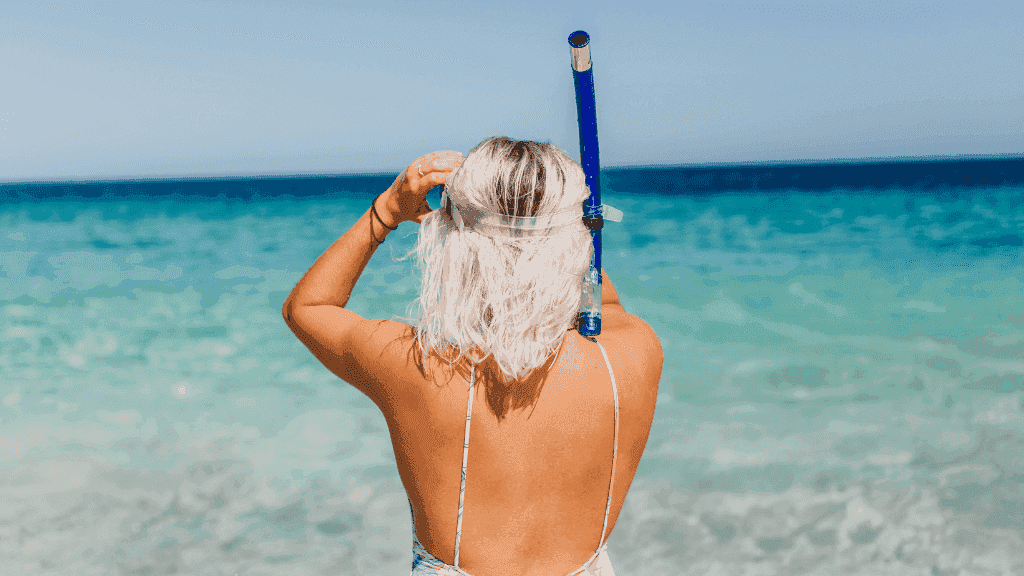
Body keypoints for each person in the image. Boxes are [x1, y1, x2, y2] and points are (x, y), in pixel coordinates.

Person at [283, 137, 663, 576]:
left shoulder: (420, 369)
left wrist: (387, 210)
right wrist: (564, 226)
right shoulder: (633, 350)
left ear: (459, 245)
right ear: (574, 237)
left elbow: (308, 307)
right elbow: (599, 296)